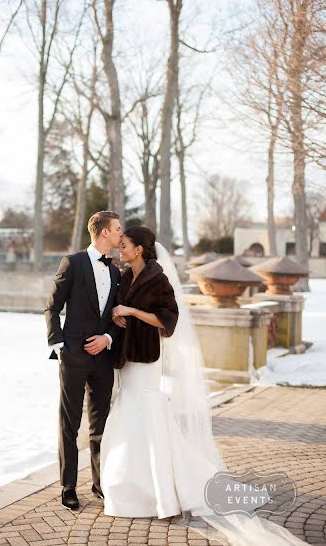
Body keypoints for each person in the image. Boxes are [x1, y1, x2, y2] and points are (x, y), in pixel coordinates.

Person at [101, 226, 306, 546]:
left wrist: (132, 311)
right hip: (128, 360)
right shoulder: (126, 277)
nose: (120, 249)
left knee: (151, 421)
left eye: (124, 245)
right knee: (129, 421)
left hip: (147, 362)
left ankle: (165, 498)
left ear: (139, 249)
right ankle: (129, 491)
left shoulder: (158, 279)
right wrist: (117, 315)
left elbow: (168, 320)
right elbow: (121, 308)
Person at [44, 211, 122, 511]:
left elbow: (116, 317)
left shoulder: (115, 272)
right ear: (103, 233)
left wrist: (108, 339)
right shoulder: (73, 263)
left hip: (103, 359)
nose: (120, 234)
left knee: (101, 423)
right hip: (73, 358)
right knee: (69, 423)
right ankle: (68, 487)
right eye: (117, 229)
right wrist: (61, 346)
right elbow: (52, 307)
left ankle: (99, 484)